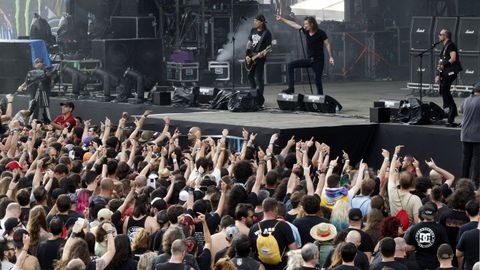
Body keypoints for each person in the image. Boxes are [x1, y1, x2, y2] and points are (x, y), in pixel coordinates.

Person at [275, 15, 334, 95]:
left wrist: (330, 57)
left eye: (306, 24)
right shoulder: (306, 31)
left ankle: (320, 97)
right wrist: (282, 19)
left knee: (317, 79)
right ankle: (291, 88)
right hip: (309, 60)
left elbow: (327, 44)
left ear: (312, 24)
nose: (304, 26)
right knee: (290, 65)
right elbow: (294, 25)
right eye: (304, 24)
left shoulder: (321, 33)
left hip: (318, 61)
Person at [249, 198, 297, 270]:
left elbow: (252, 251)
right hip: (281, 267)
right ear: (276, 209)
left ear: (263, 209)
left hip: (262, 267)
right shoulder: (284, 226)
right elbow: (294, 251)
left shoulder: (254, 228)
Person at [406, 202, 449, 270]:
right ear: (435, 214)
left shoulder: (414, 228)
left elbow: (409, 247)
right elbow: (445, 247)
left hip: (418, 263)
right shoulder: (441, 228)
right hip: (435, 263)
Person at [435, 28, 462, 127]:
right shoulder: (444, 47)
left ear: (445, 36)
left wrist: (444, 65)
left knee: (445, 89)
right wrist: (438, 75)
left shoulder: (450, 45)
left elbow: (453, 58)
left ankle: (449, 110)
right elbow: (440, 63)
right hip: (444, 73)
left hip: (451, 72)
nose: (439, 36)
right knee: (443, 90)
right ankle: (451, 111)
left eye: (440, 34)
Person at [245, 14, 272, 107]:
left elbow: (269, 48)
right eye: (254, 21)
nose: (254, 22)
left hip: (260, 58)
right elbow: (249, 43)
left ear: (261, 22)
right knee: (250, 76)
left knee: (259, 77)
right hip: (251, 56)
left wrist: (264, 53)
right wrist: (247, 55)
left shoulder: (267, 33)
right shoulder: (253, 30)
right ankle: (253, 94)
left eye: (256, 21)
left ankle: (259, 99)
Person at [17, 57, 54, 123]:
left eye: (40, 62)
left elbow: (51, 83)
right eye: (37, 62)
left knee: (45, 110)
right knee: (33, 111)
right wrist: (21, 86)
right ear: (35, 64)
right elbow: (26, 82)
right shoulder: (31, 73)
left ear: (43, 63)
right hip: (33, 95)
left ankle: (47, 124)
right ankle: (31, 125)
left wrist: (50, 78)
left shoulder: (46, 72)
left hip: (44, 94)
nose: (39, 64)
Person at [460, 81, 480, 188]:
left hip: (465, 135)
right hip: (477, 137)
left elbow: (461, 110)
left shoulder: (466, 100)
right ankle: (475, 185)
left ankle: (463, 184)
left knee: (465, 160)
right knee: (477, 161)